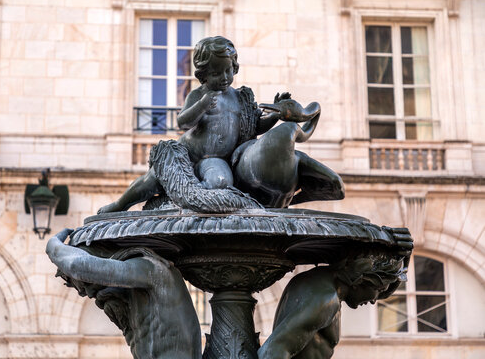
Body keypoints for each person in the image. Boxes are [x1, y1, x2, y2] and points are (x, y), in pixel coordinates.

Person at [97, 36, 339, 213]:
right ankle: (120, 204)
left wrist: (276, 115)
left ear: (234, 68)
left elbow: (254, 127)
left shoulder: (241, 97)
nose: (224, 78)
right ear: (203, 74)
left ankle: (186, 202)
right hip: (189, 155)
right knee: (149, 182)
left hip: (217, 160)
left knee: (220, 184)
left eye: (228, 71)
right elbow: (183, 122)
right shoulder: (199, 95)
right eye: (216, 74)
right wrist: (202, 105)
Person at [46, 229, 202, 359]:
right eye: (83, 290)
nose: (88, 292)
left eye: (86, 283)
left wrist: (52, 247)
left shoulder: (153, 270)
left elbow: (77, 265)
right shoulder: (135, 299)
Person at [258, 251, 408, 359]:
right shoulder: (325, 301)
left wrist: (405, 256)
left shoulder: (318, 283)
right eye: (379, 290)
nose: (376, 299)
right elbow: (272, 351)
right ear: (362, 280)